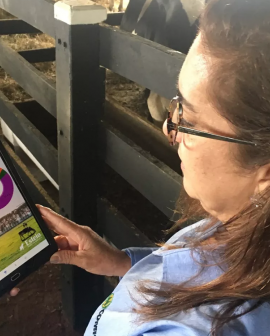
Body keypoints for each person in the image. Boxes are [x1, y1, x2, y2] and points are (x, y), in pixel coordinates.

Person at [11, 0, 270, 334]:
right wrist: (124, 263)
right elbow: (200, 263)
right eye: (177, 104)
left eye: (188, 118)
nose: (168, 127)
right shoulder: (238, 223)